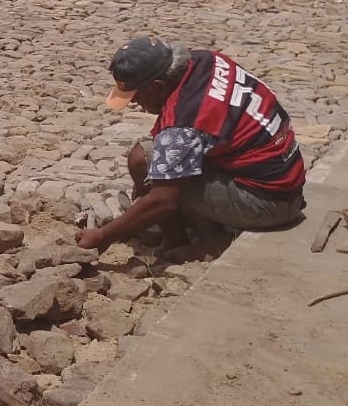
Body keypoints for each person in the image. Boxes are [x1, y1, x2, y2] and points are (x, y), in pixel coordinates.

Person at [76, 35, 305, 255]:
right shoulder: (207, 60)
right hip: (283, 182)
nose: (134, 103)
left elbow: (164, 200)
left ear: (157, 87)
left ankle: (199, 241)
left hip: (268, 204)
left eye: (135, 96)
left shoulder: (185, 120)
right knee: (157, 165)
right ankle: (189, 233)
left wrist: (104, 235)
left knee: (144, 163)